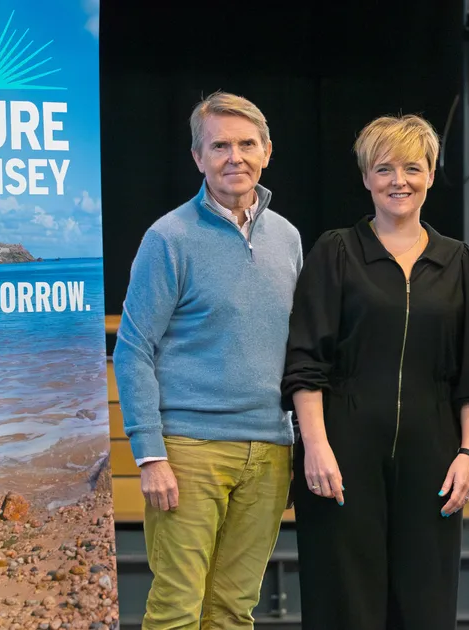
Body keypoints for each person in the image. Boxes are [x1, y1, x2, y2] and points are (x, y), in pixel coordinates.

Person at [281, 114, 469, 630]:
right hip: (342, 455)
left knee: (424, 606)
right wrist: (315, 447)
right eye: (384, 169)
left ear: (430, 173)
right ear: (365, 178)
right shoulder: (336, 251)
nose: (398, 180)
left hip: (434, 459)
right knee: (344, 605)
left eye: (412, 168)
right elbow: (305, 362)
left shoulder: (457, 260)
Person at [113, 91, 302, 629]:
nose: (233, 157)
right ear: (198, 158)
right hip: (188, 451)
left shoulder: (287, 238)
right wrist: (150, 456)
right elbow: (133, 349)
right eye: (219, 145)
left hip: (269, 450)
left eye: (246, 144)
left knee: (233, 610)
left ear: (266, 151)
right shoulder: (168, 238)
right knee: (177, 610)